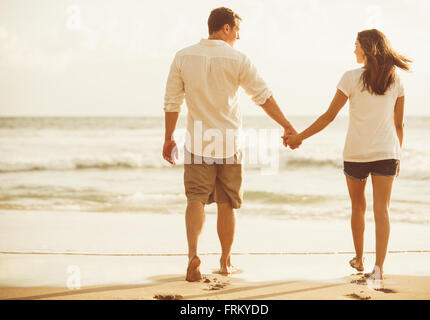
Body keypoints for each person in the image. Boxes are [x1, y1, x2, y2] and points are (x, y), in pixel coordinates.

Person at [163, 7, 298, 282]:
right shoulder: (238, 58)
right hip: (228, 143)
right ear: (225, 28)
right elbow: (263, 97)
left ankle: (192, 256)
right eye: (236, 29)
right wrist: (286, 125)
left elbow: (172, 101)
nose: (239, 34)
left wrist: (169, 138)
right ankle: (225, 263)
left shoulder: (183, 56)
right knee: (227, 204)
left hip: (198, 141)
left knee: (195, 199)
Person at [285, 29, 411, 280]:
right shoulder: (395, 80)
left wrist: (299, 137)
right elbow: (399, 125)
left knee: (358, 206)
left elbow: (329, 116)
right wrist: (398, 154)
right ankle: (378, 268)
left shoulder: (350, 78)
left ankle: (360, 259)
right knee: (382, 210)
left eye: (355, 45)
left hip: (356, 154)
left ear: (366, 48)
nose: (353, 50)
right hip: (387, 152)